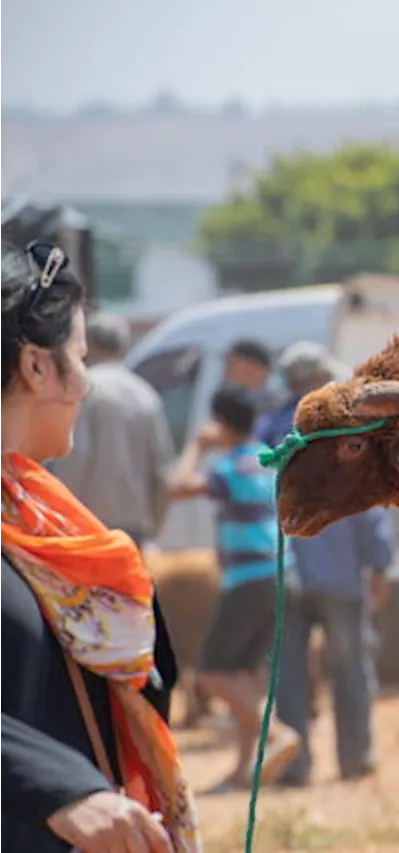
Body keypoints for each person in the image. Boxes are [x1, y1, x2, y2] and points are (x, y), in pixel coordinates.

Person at [0, 240, 197, 852]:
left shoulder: (34, 511)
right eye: (79, 357)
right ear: (38, 368)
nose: (86, 382)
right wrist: (59, 788)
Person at [261, 342, 396, 786]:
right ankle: (355, 760)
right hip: (339, 574)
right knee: (350, 667)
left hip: (284, 575)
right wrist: (379, 564)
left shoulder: (268, 431)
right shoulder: (339, 432)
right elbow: (367, 504)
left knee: (290, 673)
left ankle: (295, 766)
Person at [166, 383, 301, 793]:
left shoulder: (228, 466)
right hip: (281, 574)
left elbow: (177, 487)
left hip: (248, 580)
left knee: (210, 671)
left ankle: (275, 733)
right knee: (244, 674)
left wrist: (196, 445)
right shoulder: (267, 460)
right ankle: (244, 773)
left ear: (221, 423)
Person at [47, 311, 176, 549]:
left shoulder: (84, 389)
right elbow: (161, 469)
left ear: (88, 344)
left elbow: (76, 455)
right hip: (134, 530)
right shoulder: (145, 394)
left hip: (88, 524)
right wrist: (153, 526)